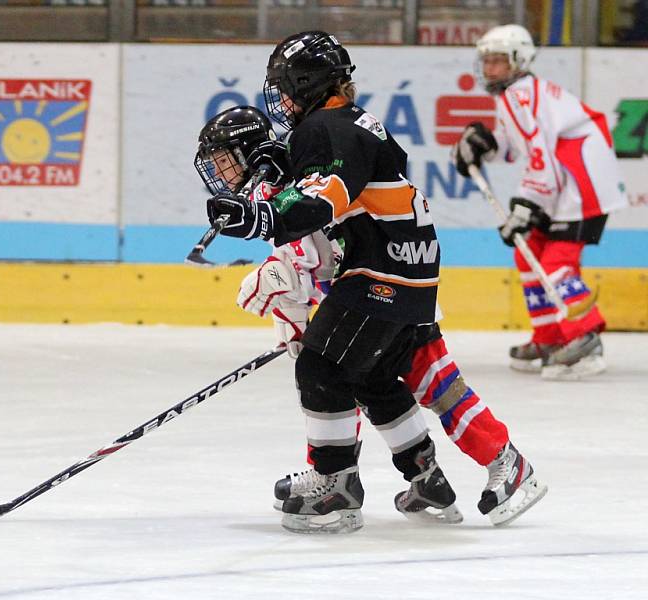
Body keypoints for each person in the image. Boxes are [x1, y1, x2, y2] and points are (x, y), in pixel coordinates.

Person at [203, 31, 527, 534]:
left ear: (307, 84)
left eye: (287, 87)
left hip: (383, 271)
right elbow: (340, 199)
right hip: (409, 265)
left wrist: (258, 217)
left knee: (321, 364)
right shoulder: (352, 124)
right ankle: (454, 469)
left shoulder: (325, 127)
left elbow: (322, 197)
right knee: (388, 375)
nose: (282, 99)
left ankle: (334, 486)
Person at [452, 24, 629, 380]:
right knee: (528, 250)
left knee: (556, 263)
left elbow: (542, 157)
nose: (489, 69)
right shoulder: (516, 93)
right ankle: (549, 337)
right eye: (487, 61)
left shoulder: (521, 95)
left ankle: (585, 337)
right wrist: (487, 143)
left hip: (581, 184)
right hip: (566, 184)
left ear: (519, 60)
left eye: (498, 61)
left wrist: (526, 206)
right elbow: (519, 146)